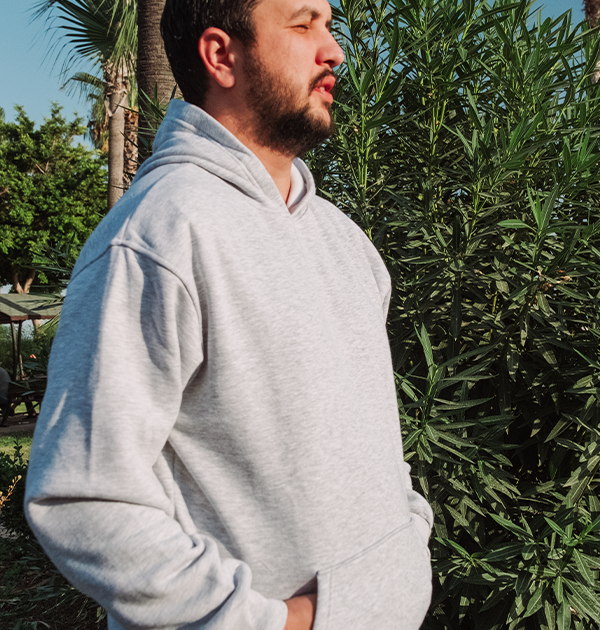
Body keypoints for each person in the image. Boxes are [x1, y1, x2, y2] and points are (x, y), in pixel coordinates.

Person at [24, 0, 434, 628]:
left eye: (328, 25)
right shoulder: (159, 234)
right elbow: (81, 495)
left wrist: (407, 546)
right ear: (221, 55)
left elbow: (373, 444)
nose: (333, 51)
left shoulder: (345, 241)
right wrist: (274, 623)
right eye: (303, 24)